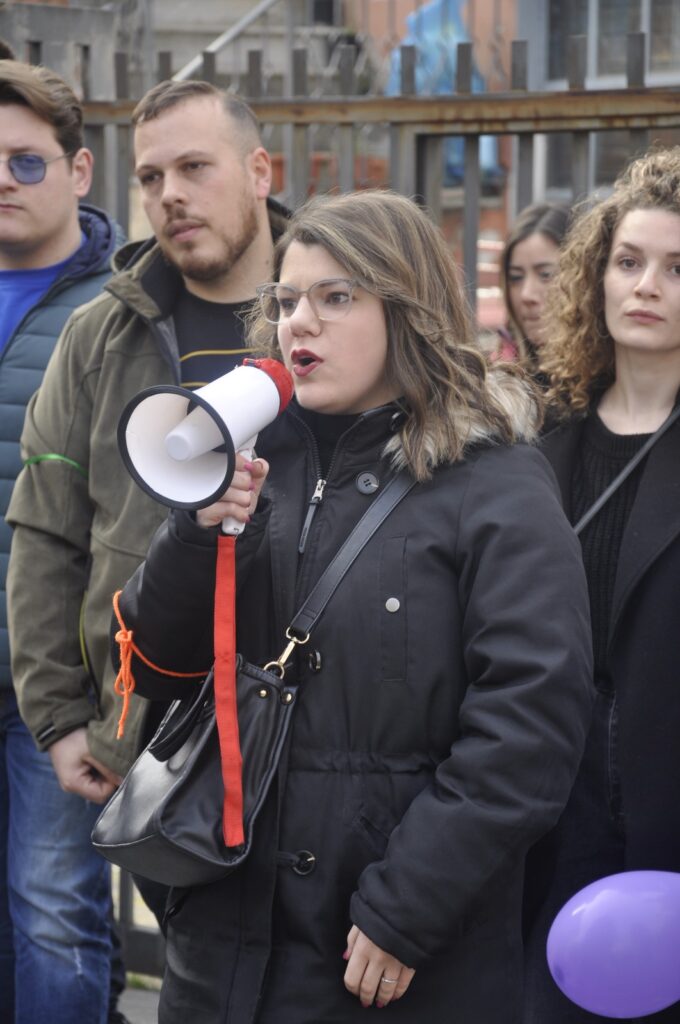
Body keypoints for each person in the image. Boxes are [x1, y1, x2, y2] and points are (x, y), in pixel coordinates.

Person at [113, 189, 594, 1023]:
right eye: (289, 299)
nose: (302, 321)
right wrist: (199, 532)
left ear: (407, 312)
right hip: (222, 947)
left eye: (338, 297)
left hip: (385, 956)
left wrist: (409, 908)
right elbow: (155, 658)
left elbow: (531, 722)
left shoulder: (495, 482)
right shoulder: (250, 461)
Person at [5, 78, 287, 977]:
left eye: (195, 168)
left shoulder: (335, 310)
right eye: (153, 175)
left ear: (258, 171)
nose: (171, 194)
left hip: (314, 718)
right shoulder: (103, 334)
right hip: (145, 722)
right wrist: (57, 719)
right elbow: (47, 534)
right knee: (129, 953)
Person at [523, 146, 680, 1024]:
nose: (646, 285)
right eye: (628, 262)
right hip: (552, 819)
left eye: (675, 268)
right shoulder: (539, 443)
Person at [0, 58, 128, 1023]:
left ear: (80, 172)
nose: (6, 179)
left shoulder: (120, 314)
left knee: (53, 914)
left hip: (52, 683)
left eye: (27, 162)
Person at [491, 201, 570, 377]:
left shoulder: (614, 382)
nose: (527, 294)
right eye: (515, 278)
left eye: (546, 275)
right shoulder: (493, 380)